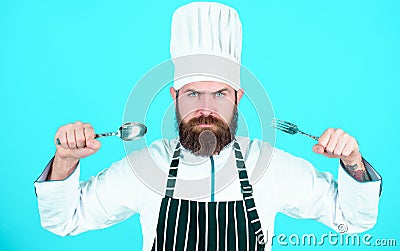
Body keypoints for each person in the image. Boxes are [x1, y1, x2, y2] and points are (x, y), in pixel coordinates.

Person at [34, 2, 382, 251]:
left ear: (238, 97)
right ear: (174, 97)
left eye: (219, 93)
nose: (205, 108)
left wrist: (352, 162)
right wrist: (64, 161)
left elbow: (352, 219)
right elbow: (64, 220)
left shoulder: (272, 166)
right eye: (193, 93)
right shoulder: (145, 168)